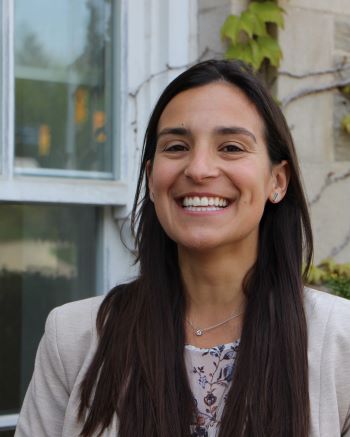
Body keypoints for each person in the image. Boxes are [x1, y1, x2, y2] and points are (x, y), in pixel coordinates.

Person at [15, 60, 350, 437]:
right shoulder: (73, 338)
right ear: (152, 181)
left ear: (277, 180)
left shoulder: (341, 342)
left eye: (231, 147)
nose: (199, 169)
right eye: (176, 146)